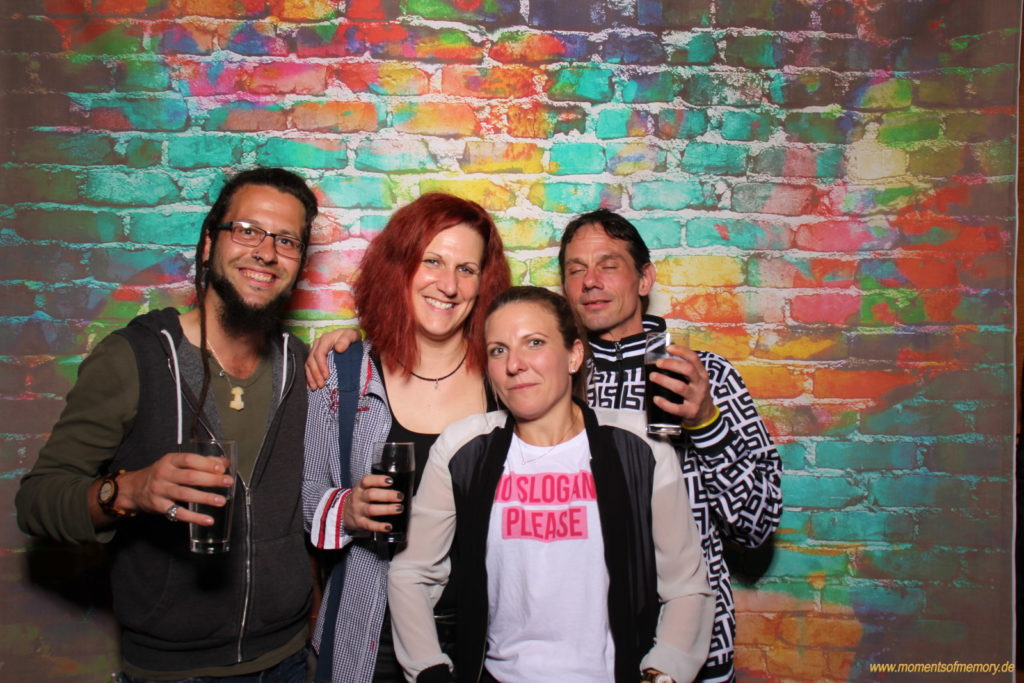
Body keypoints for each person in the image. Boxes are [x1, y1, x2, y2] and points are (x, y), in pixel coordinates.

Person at [15, 168, 318, 681]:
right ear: (209, 243)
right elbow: (37, 503)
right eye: (247, 230)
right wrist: (128, 491)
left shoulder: (304, 367)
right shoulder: (135, 358)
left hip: (287, 658)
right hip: (172, 669)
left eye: (286, 240)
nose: (266, 252)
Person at [388, 286, 714, 683]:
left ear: (574, 355)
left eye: (534, 343)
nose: (514, 364)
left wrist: (664, 672)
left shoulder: (640, 447)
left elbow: (686, 586)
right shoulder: (462, 448)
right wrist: (429, 671)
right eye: (498, 350)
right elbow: (411, 572)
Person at [559, 209, 783, 683]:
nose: (590, 281)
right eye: (576, 270)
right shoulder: (554, 384)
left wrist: (706, 422)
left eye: (608, 265)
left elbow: (756, 527)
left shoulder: (707, 376)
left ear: (645, 279)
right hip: (584, 650)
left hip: (696, 652)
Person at [303, 193, 511, 682]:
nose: (448, 285)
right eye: (432, 261)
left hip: (488, 637)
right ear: (400, 267)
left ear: (484, 284)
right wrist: (348, 509)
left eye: (466, 269)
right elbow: (304, 495)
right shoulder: (345, 375)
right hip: (370, 636)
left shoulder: (506, 381)